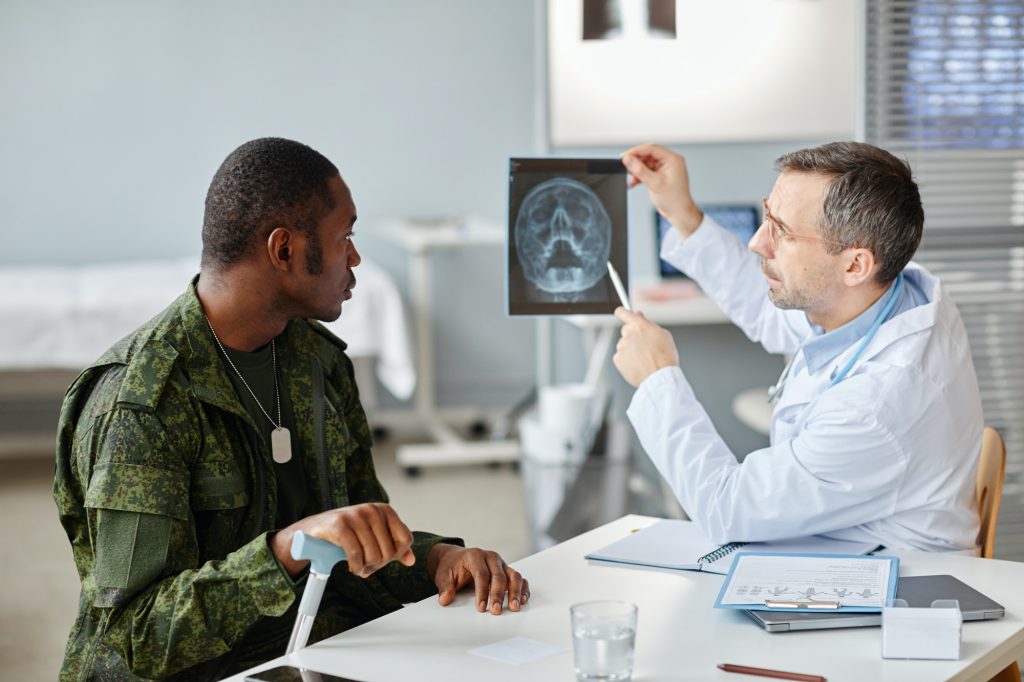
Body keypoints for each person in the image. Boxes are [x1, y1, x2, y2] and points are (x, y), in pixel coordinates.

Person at [53, 138, 529, 681]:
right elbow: (135, 637)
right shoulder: (142, 405)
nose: (355, 257)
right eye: (344, 237)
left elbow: (358, 544)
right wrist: (285, 551)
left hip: (308, 647)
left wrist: (437, 560)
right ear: (283, 251)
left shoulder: (318, 363)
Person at [612, 142, 982, 553]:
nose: (756, 242)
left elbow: (727, 509)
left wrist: (657, 380)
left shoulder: (878, 405)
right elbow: (767, 306)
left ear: (855, 265)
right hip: (833, 541)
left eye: (782, 233)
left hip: (890, 585)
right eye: (768, 216)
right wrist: (682, 214)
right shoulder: (883, 292)